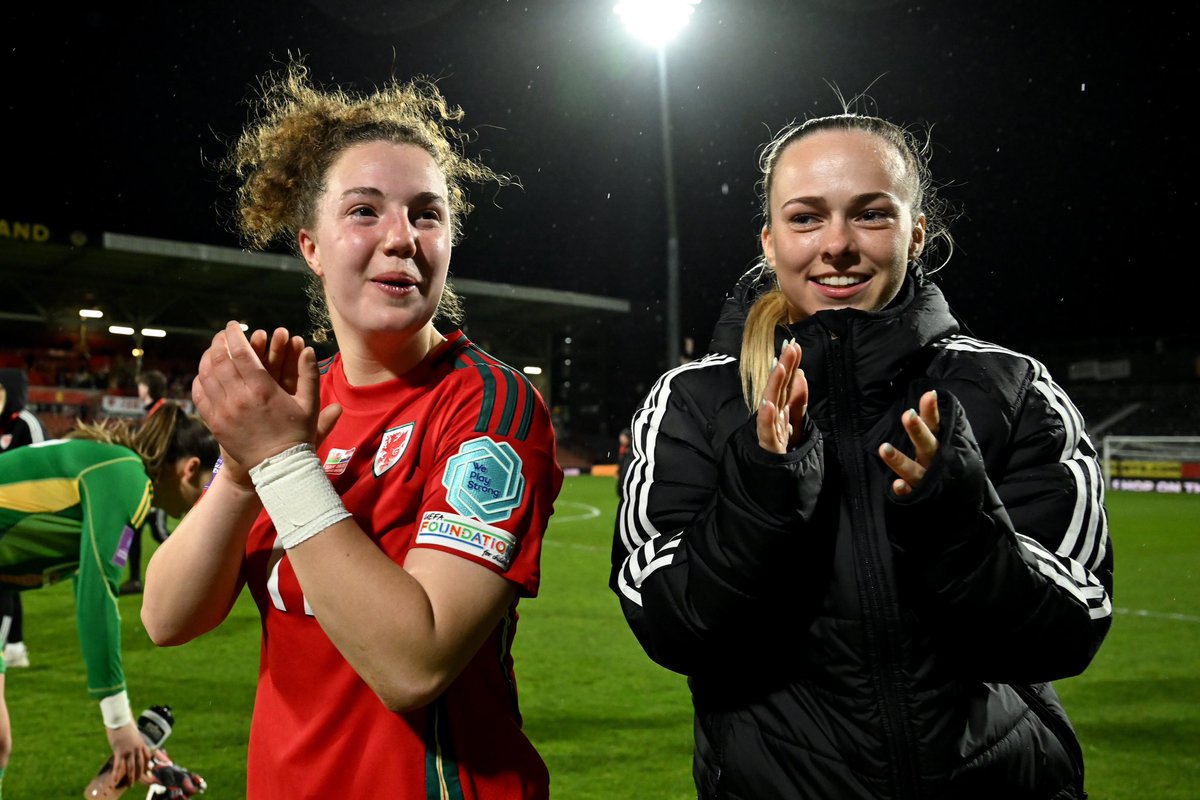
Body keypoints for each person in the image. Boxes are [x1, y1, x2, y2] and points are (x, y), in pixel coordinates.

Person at [610, 112, 1113, 799]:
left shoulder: (1011, 387)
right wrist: (763, 489)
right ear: (770, 239)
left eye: (872, 215)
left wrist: (956, 519)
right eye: (806, 218)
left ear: (917, 231)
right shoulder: (696, 400)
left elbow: (1066, 630)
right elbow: (674, 625)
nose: (838, 246)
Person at [141, 58, 563, 799]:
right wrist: (244, 471)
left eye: (427, 213)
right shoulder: (294, 403)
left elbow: (414, 664)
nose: (402, 236)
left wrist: (280, 462)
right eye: (365, 211)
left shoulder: (490, 408)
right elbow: (167, 616)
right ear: (310, 244)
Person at [0, 403, 217, 796]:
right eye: (206, 489)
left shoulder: (116, 467)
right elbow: (97, 588)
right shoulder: (126, 476)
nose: (200, 507)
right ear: (189, 469)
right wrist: (118, 723)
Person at [0, 368, 49, 673]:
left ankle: (7, 648)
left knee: (3, 581)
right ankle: (15, 647)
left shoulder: (29, 424)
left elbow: (46, 469)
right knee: (7, 582)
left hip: (23, 519)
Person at [120, 369, 173, 595]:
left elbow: (161, 450)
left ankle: (198, 567)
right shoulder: (155, 412)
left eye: (141, 385)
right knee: (136, 529)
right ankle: (134, 580)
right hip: (148, 483)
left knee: (159, 532)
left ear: (147, 388)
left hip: (156, 484)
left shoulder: (161, 413)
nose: (139, 388)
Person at [615, 428, 633, 499]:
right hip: (622, 475)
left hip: (627, 475)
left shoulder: (631, 450)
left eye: (623, 437)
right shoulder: (622, 448)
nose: (621, 439)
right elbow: (620, 463)